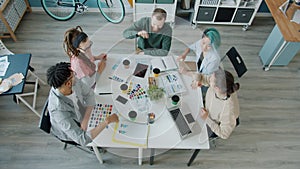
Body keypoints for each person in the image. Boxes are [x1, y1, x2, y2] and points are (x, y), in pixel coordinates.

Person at [46, 62, 119, 146]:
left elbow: (89, 94)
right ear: (68, 83)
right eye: (73, 75)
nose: (75, 76)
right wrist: (107, 121)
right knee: (106, 136)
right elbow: (82, 139)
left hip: (83, 115)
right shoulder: (58, 110)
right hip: (72, 131)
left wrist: (86, 119)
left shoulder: (70, 81)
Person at [192, 68, 240, 139]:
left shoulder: (228, 110)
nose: (209, 78)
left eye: (211, 79)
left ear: (217, 88)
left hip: (212, 123)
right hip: (206, 111)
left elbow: (224, 134)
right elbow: (206, 79)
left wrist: (206, 118)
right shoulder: (221, 84)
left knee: (191, 133)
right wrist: (199, 80)